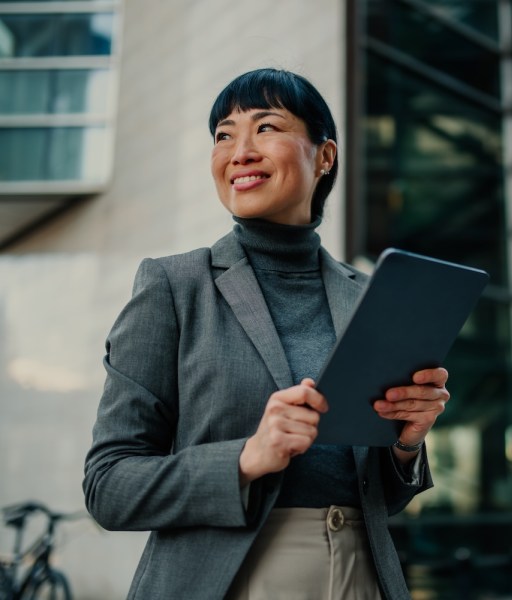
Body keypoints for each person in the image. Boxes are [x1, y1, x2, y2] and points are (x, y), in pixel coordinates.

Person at [83, 67, 450, 600]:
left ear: (325, 156)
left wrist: (406, 444)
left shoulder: (368, 297)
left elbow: (378, 497)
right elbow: (108, 487)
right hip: (226, 580)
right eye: (224, 135)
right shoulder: (173, 286)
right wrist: (244, 458)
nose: (241, 151)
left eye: (267, 127)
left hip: (362, 574)